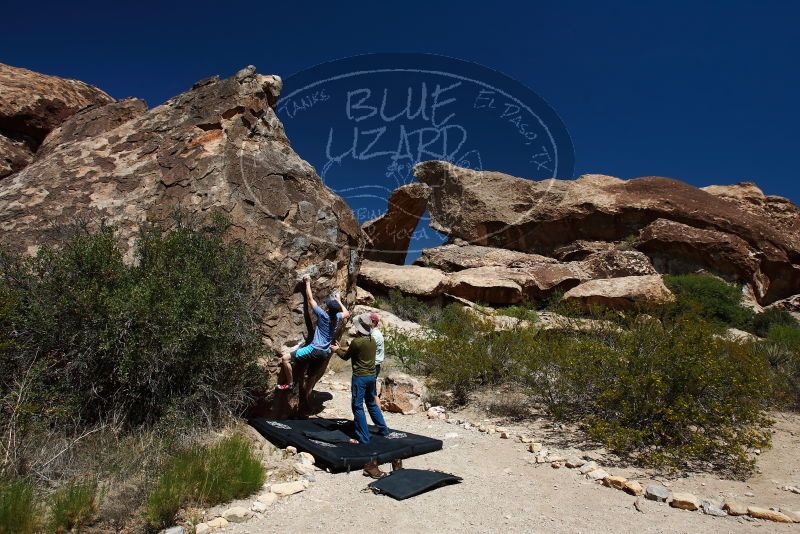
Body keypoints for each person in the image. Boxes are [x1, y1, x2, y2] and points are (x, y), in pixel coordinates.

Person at [332, 313, 393, 478]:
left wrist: (336, 349)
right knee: (371, 403)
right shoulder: (372, 340)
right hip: (371, 376)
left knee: (357, 406)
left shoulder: (357, 342)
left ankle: (363, 437)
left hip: (359, 377)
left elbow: (345, 356)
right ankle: (383, 429)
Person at [279, 275, 349, 410]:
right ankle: (306, 399)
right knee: (311, 377)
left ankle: (290, 383)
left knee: (285, 359)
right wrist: (339, 301)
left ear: (328, 308)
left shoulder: (323, 315)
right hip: (324, 353)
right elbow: (346, 313)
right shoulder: (337, 318)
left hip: (314, 349)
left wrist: (307, 283)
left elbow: (310, 300)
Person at [369, 312, 384, 377]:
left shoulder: (375, 335)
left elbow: (365, 348)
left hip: (372, 366)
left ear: (374, 322)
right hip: (373, 366)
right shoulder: (373, 333)